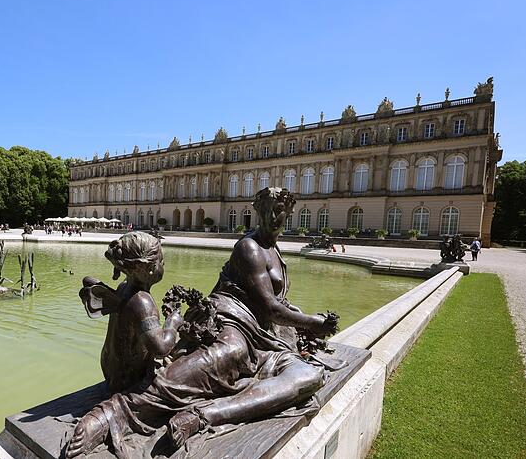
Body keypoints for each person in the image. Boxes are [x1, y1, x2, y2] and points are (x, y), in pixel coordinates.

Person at [67, 188, 338, 457]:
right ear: (258, 211)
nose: (274, 216)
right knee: (218, 358)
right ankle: (116, 411)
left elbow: (277, 306)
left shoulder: (274, 250)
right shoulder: (249, 248)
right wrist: (313, 323)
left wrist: (302, 322)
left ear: (289, 214)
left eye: (280, 210)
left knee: (309, 376)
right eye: (268, 210)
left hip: (265, 338)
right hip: (232, 320)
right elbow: (270, 307)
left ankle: (203, 415)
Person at [79, 232, 183, 393]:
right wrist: (172, 322)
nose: (164, 265)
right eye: (161, 262)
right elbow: (160, 348)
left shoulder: (123, 287)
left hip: (112, 371)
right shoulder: (142, 302)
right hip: (129, 379)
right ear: (148, 268)